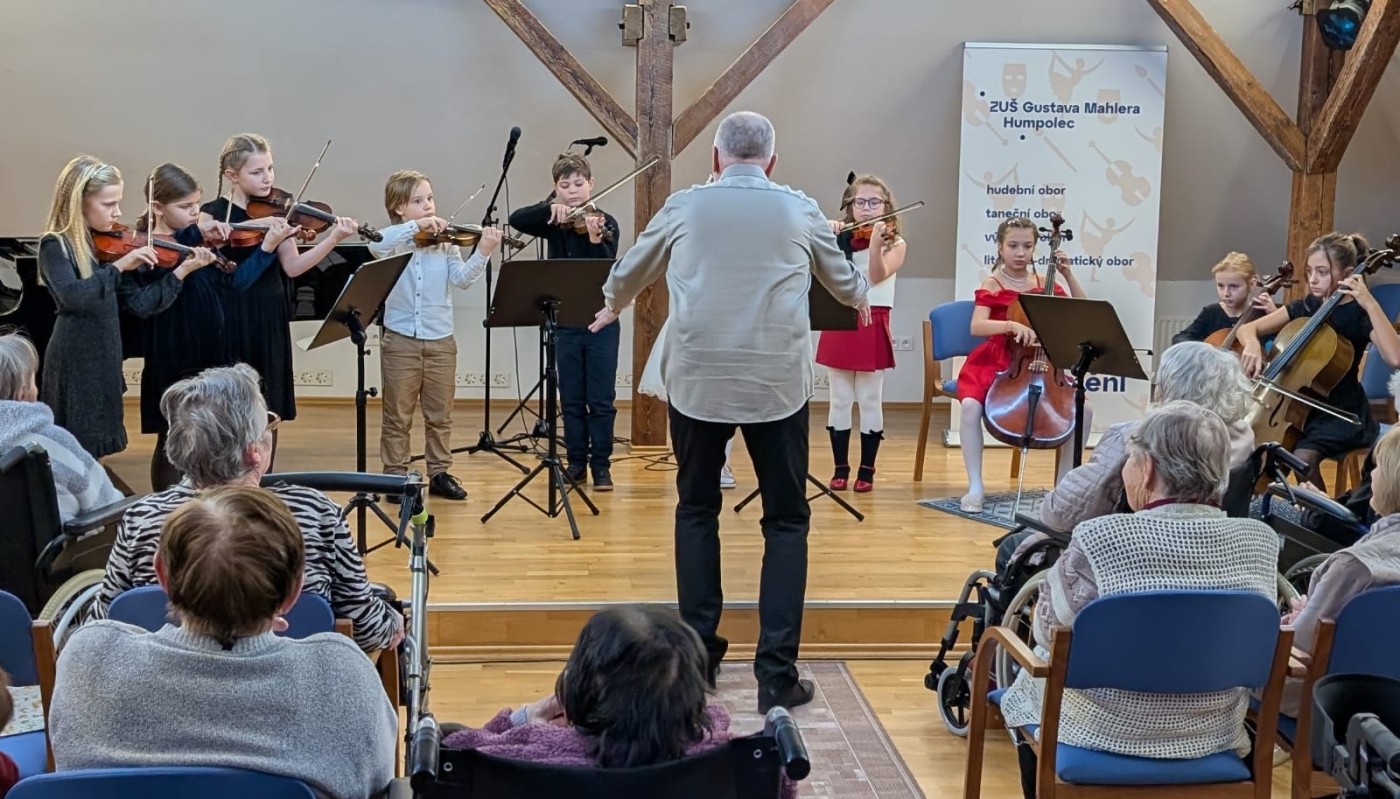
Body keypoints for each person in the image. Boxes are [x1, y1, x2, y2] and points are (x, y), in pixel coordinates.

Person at [592, 111, 869, 712]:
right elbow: (845, 285)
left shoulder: (686, 206)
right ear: (772, 161)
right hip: (776, 386)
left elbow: (630, 270)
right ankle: (776, 676)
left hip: (699, 381)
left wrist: (612, 303)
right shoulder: (799, 208)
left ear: (716, 158)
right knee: (786, 521)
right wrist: (861, 295)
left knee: (697, 509)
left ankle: (699, 665)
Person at [998, 401, 1280, 799]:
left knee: (1033, 673)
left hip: (1098, 731)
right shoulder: (1259, 543)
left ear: (1147, 469)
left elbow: (1047, 632)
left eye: (1129, 459)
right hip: (1211, 735)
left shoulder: (1101, 538)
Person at [50, 486, 397, 799]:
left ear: (162, 576)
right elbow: (377, 782)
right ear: (294, 593)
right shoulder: (343, 676)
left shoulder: (88, 660)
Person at [89, 364, 402, 653]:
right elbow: (366, 628)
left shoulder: (141, 518)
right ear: (254, 452)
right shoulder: (314, 512)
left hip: (165, 683)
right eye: (269, 423)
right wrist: (395, 623)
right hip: (290, 683)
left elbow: (102, 622)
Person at [442, 605, 793, 797]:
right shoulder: (739, 760)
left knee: (446, 731)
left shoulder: (515, 756)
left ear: (574, 689)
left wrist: (523, 719)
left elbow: (460, 747)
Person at [38, 155, 210, 460]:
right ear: (79, 202)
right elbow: (73, 298)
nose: (118, 212)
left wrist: (181, 271)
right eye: (109, 204)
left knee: (95, 449)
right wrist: (119, 267)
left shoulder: (109, 246)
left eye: (118, 202)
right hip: (75, 358)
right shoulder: (55, 244)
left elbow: (141, 305)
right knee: (74, 448)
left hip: (106, 354)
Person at [135, 162, 295, 490]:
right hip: (175, 355)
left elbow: (235, 285)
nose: (195, 213)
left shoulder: (197, 243)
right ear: (157, 208)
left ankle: (210, 502)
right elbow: (148, 302)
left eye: (197, 205)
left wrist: (266, 248)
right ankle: (165, 505)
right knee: (172, 437)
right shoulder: (150, 249)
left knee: (209, 436)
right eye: (185, 207)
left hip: (210, 354)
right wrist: (188, 260)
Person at [200, 133, 362, 444]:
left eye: (270, 169)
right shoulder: (212, 212)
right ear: (232, 175)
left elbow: (293, 267)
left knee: (269, 408)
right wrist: (255, 229)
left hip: (269, 314)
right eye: (257, 172)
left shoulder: (279, 214)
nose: (268, 178)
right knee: (225, 407)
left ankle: (263, 472)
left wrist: (333, 239)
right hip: (227, 315)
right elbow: (204, 246)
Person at [368, 170, 503, 502]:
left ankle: (439, 473)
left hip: (441, 339)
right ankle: (395, 476)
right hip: (400, 338)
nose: (428, 205)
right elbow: (375, 243)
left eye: (429, 198)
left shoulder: (445, 244)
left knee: (440, 415)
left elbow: (462, 279)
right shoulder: (393, 241)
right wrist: (415, 227)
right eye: (418, 201)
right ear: (399, 207)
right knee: (397, 415)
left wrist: (483, 251)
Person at [1036, 341, 1256, 533]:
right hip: (1212, 542)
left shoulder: (1136, 437)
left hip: (1130, 550)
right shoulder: (1244, 436)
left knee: (1022, 542)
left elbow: (1060, 515)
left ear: (1168, 388)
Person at [1238, 232, 1400, 490]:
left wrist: (1370, 303)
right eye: (1310, 271)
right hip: (1301, 409)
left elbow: (1395, 357)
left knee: (1302, 459)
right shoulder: (1307, 306)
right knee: (1254, 446)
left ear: (1348, 274)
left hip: (1343, 415)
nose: (1312, 279)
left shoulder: (1357, 314)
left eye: (1322, 272)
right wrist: (1252, 345)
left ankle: (1319, 514)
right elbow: (1247, 329)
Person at [956, 216, 1087, 513]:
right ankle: (975, 486)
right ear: (1000, 247)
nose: (1020, 253)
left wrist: (1068, 275)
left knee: (1083, 409)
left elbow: (1082, 310)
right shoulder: (993, 283)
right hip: (998, 360)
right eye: (1013, 246)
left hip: (1040, 362)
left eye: (1027, 246)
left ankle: (1063, 488)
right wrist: (1010, 326)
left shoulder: (1044, 284)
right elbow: (977, 326)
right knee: (970, 407)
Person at [509, 153, 621, 490]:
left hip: (601, 323)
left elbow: (607, 268)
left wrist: (596, 239)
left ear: (591, 184)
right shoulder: (554, 222)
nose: (572, 191)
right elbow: (517, 219)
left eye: (578, 183)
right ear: (556, 187)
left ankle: (601, 466)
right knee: (570, 398)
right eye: (565, 185)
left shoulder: (606, 222)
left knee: (601, 400)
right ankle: (576, 463)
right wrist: (549, 208)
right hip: (565, 323)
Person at [1282, 424, 1400, 715]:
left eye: (1377, 468)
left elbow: (1299, 648)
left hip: (1327, 705)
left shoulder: (1354, 567)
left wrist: (1292, 625)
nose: (1372, 474)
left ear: (1392, 481)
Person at [814, 174, 908, 493]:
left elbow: (877, 276)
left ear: (886, 206)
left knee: (869, 398)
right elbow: (823, 271)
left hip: (874, 317)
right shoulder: (840, 238)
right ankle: (840, 468)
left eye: (874, 202)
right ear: (850, 205)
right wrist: (825, 234)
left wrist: (876, 244)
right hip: (840, 314)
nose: (867, 208)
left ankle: (867, 470)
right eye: (860, 202)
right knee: (839, 398)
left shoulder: (895, 243)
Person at [0, 332, 121, 520]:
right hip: (60, 539)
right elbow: (106, 502)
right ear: (22, 392)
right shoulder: (52, 442)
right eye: (33, 380)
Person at [638, 317, 738, 489]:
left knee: (727, 398)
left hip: (727, 328)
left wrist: (614, 306)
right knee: (709, 398)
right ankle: (710, 468)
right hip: (698, 330)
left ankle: (719, 466)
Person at [1170, 251, 1276, 345]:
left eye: (1233, 286)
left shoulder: (1259, 315)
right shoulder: (1211, 313)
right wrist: (1206, 348)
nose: (1226, 293)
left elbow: (1275, 346)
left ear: (1252, 284)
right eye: (1220, 286)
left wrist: (1274, 315)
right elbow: (1180, 339)